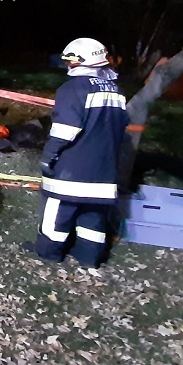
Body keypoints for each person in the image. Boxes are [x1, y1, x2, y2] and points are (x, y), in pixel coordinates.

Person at [22, 38, 129, 267]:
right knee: (93, 217)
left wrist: (48, 156)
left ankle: (49, 252)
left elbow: (65, 129)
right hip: (104, 170)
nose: (67, 66)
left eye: (69, 61)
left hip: (71, 170)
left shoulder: (73, 88)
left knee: (57, 213)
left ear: (80, 62)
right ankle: (89, 257)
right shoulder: (116, 90)